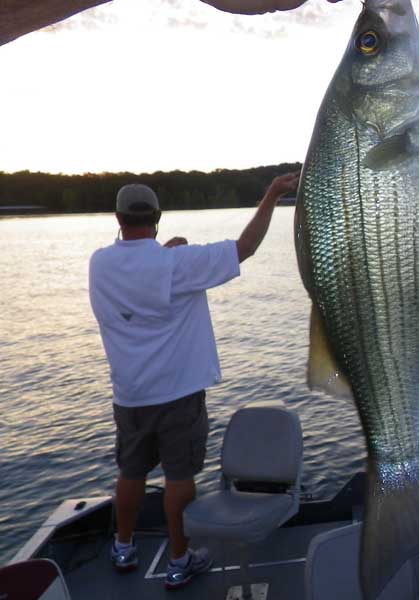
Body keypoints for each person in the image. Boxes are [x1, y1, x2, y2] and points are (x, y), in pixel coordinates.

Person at [88, 172, 299, 590]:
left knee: (130, 472)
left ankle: (124, 546)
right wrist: (272, 194)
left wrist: (166, 255)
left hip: (129, 396)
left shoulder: (100, 263)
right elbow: (246, 248)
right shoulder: (177, 266)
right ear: (158, 217)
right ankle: (180, 559)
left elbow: (139, 271)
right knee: (178, 478)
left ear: (118, 217)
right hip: (178, 396)